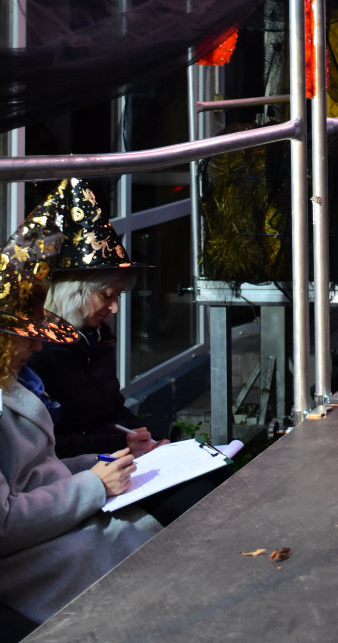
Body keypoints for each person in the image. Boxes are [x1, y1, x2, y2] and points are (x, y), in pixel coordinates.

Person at [0, 204, 159, 636]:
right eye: (29, 338)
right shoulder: (24, 379)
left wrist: (102, 461)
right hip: (36, 555)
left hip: (60, 525)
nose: (38, 347)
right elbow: (7, 520)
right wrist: (93, 481)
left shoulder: (17, 379)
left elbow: (35, 469)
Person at [32, 180, 230, 524]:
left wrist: (150, 440)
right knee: (196, 505)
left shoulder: (96, 336)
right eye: (107, 296)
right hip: (82, 476)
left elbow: (113, 407)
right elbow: (50, 444)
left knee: (219, 479)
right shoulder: (38, 353)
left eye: (118, 296)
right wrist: (123, 444)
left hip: (119, 459)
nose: (114, 308)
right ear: (74, 292)